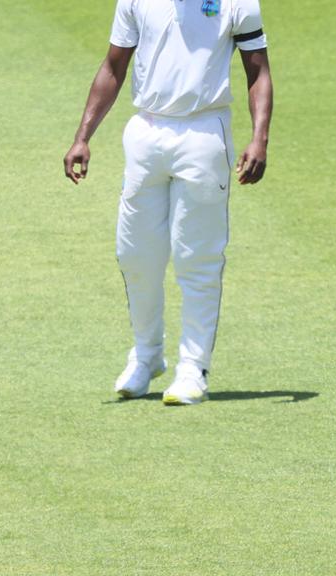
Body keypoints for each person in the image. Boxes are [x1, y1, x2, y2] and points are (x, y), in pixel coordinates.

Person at [63, 0, 273, 405]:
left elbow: (258, 70)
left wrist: (259, 137)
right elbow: (113, 67)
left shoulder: (237, 2)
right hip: (146, 131)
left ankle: (193, 369)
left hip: (204, 130)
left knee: (197, 258)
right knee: (135, 254)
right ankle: (146, 356)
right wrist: (82, 136)